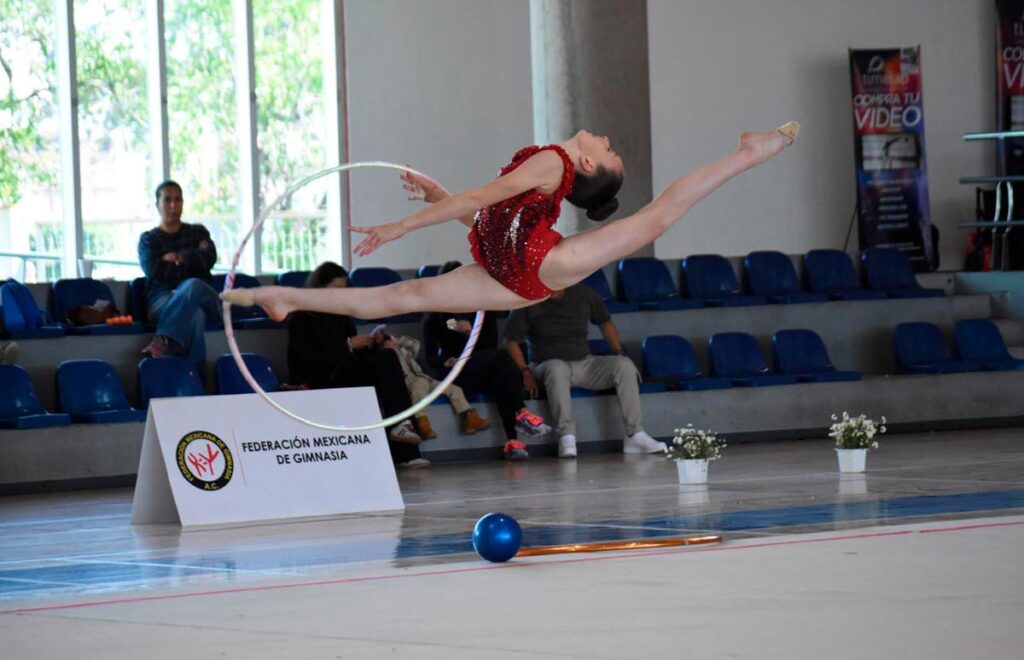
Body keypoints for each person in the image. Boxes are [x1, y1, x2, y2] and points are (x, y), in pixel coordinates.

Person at [222, 123, 799, 336]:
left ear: (590, 165)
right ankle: (281, 298)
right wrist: (440, 197)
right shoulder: (551, 166)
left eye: (610, 149)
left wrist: (404, 225)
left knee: (657, 216)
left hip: (545, 265)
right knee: (401, 297)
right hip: (512, 267)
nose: (606, 138)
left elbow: (483, 199)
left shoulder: (556, 162)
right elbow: (498, 224)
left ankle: (753, 150)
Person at [287, 262, 428, 469]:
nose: (341, 294)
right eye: (336, 289)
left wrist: (372, 344)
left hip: (343, 371)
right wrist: (348, 345)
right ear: (320, 287)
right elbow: (307, 359)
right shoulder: (301, 317)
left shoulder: (340, 315)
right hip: (320, 377)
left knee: (387, 357)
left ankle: (402, 433)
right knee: (385, 367)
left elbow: (351, 352)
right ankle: (403, 442)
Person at [504, 283, 661, 458]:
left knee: (623, 365)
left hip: (584, 362)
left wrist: (618, 352)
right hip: (545, 364)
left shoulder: (584, 294)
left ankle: (635, 434)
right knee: (557, 367)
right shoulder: (528, 300)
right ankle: (566, 436)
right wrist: (525, 372)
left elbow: (605, 322)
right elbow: (510, 341)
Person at [423, 261, 552, 461]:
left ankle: (513, 442)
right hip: (458, 371)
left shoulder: (482, 311)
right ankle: (523, 412)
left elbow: (488, 345)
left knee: (501, 376)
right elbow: (430, 358)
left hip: (484, 366)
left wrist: (471, 333)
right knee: (503, 362)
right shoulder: (434, 319)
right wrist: (445, 361)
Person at [138, 180, 222, 367]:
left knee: (193, 286)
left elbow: (209, 258)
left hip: (204, 296)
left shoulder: (198, 232)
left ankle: (163, 338)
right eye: (167, 200)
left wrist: (177, 258)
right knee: (195, 315)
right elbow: (154, 270)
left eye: (178, 200)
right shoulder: (148, 240)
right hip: (162, 300)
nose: (173, 206)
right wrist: (193, 260)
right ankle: (195, 383)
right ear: (157, 205)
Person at [377, 328, 491, 440]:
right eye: (388, 344)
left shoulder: (404, 351)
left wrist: (399, 341)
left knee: (454, 389)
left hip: (425, 378)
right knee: (418, 391)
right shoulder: (386, 358)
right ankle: (423, 424)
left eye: (392, 342)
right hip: (410, 383)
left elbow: (416, 345)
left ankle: (470, 417)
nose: (392, 345)